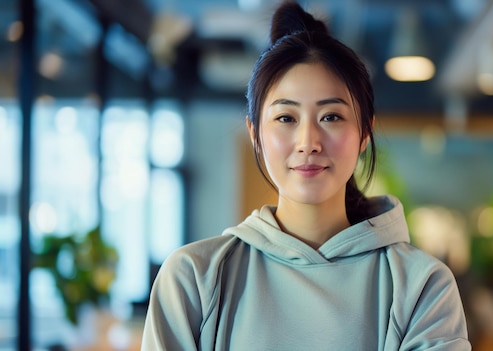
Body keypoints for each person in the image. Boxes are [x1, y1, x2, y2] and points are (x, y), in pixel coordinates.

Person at [141, 1, 471, 350]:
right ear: (255, 134)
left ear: (364, 134)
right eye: (286, 118)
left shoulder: (422, 286)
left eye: (331, 117)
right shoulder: (193, 278)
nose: (308, 142)